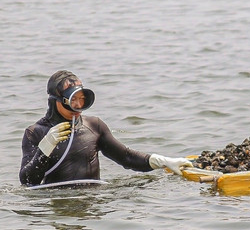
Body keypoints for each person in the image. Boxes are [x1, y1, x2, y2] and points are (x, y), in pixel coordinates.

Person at [20, 70, 193, 186]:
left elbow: (126, 158)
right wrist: (45, 149)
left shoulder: (94, 125)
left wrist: (162, 161)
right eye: (73, 101)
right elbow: (28, 182)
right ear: (55, 101)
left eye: (83, 100)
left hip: (93, 202)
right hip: (57, 203)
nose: (79, 106)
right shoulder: (35, 133)